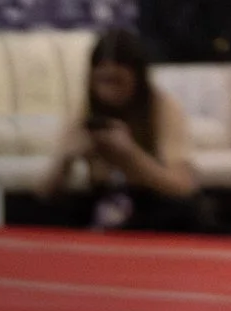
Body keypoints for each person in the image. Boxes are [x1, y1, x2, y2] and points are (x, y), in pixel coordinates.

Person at [44, 24, 203, 229]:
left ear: (137, 80)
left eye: (117, 82)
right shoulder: (85, 110)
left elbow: (183, 186)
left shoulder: (161, 107)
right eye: (103, 81)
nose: (110, 92)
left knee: (184, 211)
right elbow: (45, 191)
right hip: (102, 198)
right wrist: (66, 159)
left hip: (150, 201)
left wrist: (131, 155)